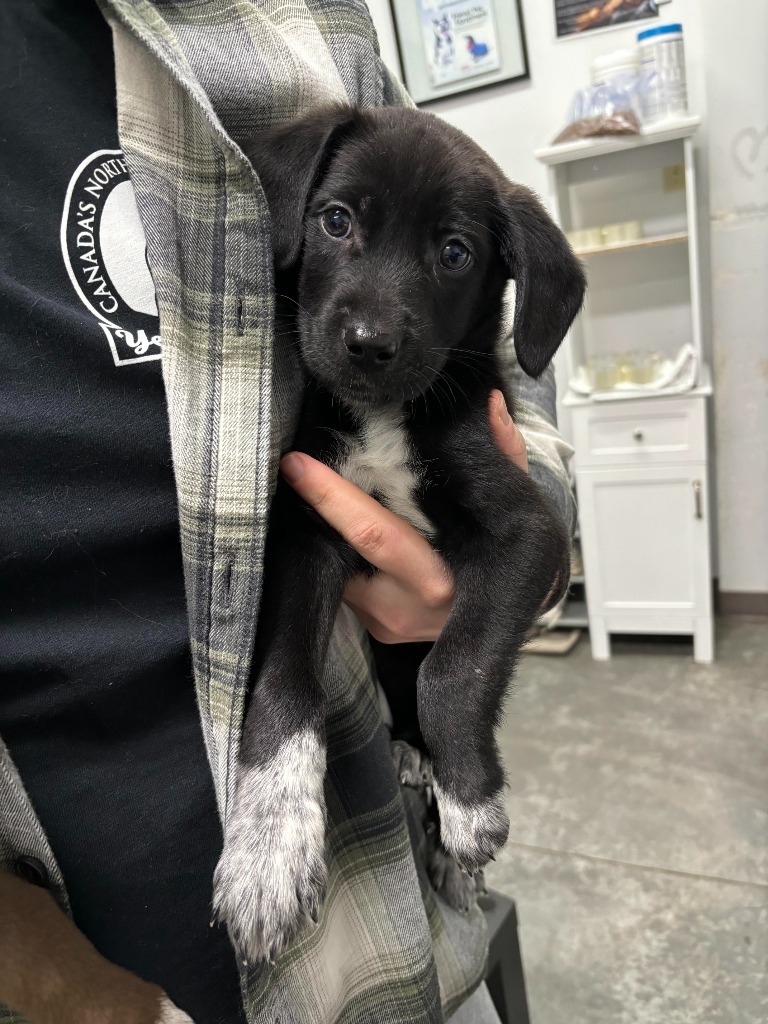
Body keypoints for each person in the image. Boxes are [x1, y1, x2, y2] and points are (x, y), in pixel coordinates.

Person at [0, 1, 575, 1022]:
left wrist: (459, 670)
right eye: (340, 226)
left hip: (389, 909)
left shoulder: (303, 27)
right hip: (86, 956)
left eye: (445, 256)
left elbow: (532, 460)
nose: (369, 317)